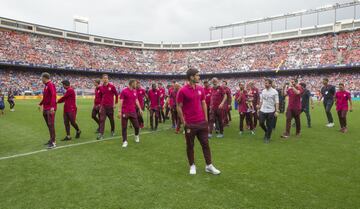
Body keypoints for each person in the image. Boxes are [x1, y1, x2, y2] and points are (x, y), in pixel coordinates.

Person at [176, 68, 220, 175]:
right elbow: (178, 106)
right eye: (197, 75)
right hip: (190, 124)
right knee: (190, 146)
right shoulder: (182, 91)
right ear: (191, 77)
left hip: (201, 122)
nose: (199, 77)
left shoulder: (200, 88)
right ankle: (192, 165)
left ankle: (209, 165)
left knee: (206, 144)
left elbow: (204, 103)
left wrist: (205, 118)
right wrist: (183, 122)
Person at [118, 79, 143, 148]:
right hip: (125, 112)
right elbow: (121, 101)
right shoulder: (124, 91)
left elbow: (136, 100)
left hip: (133, 111)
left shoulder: (135, 91)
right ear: (131, 84)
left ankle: (136, 135)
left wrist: (140, 109)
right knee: (124, 127)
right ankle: (125, 141)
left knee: (137, 126)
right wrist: (119, 111)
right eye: (135, 83)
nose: (136, 85)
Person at [38, 72, 57, 149]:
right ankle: (51, 139)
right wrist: (40, 104)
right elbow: (45, 97)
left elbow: (53, 95)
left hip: (50, 108)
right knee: (49, 125)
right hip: (46, 108)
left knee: (51, 124)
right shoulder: (46, 86)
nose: (41, 79)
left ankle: (53, 142)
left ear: (44, 78)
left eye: (42, 78)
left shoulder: (50, 84)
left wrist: (52, 107)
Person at [97, 74, 118, 140]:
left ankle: (112, 131)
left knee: (111, 120)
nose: (105, 79)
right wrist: (100, 106)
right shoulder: (100, 87)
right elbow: (99, 97)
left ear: (108, 79)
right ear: (102, 79)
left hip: (110, 106)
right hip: (103, 106)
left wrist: (115, 103)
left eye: (106, 78)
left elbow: (116, 95)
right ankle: (101, 134)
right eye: (104, 78)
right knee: (102, 119)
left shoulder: (112, 86)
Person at [258, 79, 279, 143]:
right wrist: (259, 107)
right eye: (265, 83)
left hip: (271, 111)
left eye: (266, 83)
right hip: (263, 110)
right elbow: (261, 100)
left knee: (269, 125)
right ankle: (267, 131)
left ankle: (267, 137)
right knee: (261, 123)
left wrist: (277, 111)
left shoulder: (274, 92)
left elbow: (277, 102)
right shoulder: (263, 91)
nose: (265, 84)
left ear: (270, 84)